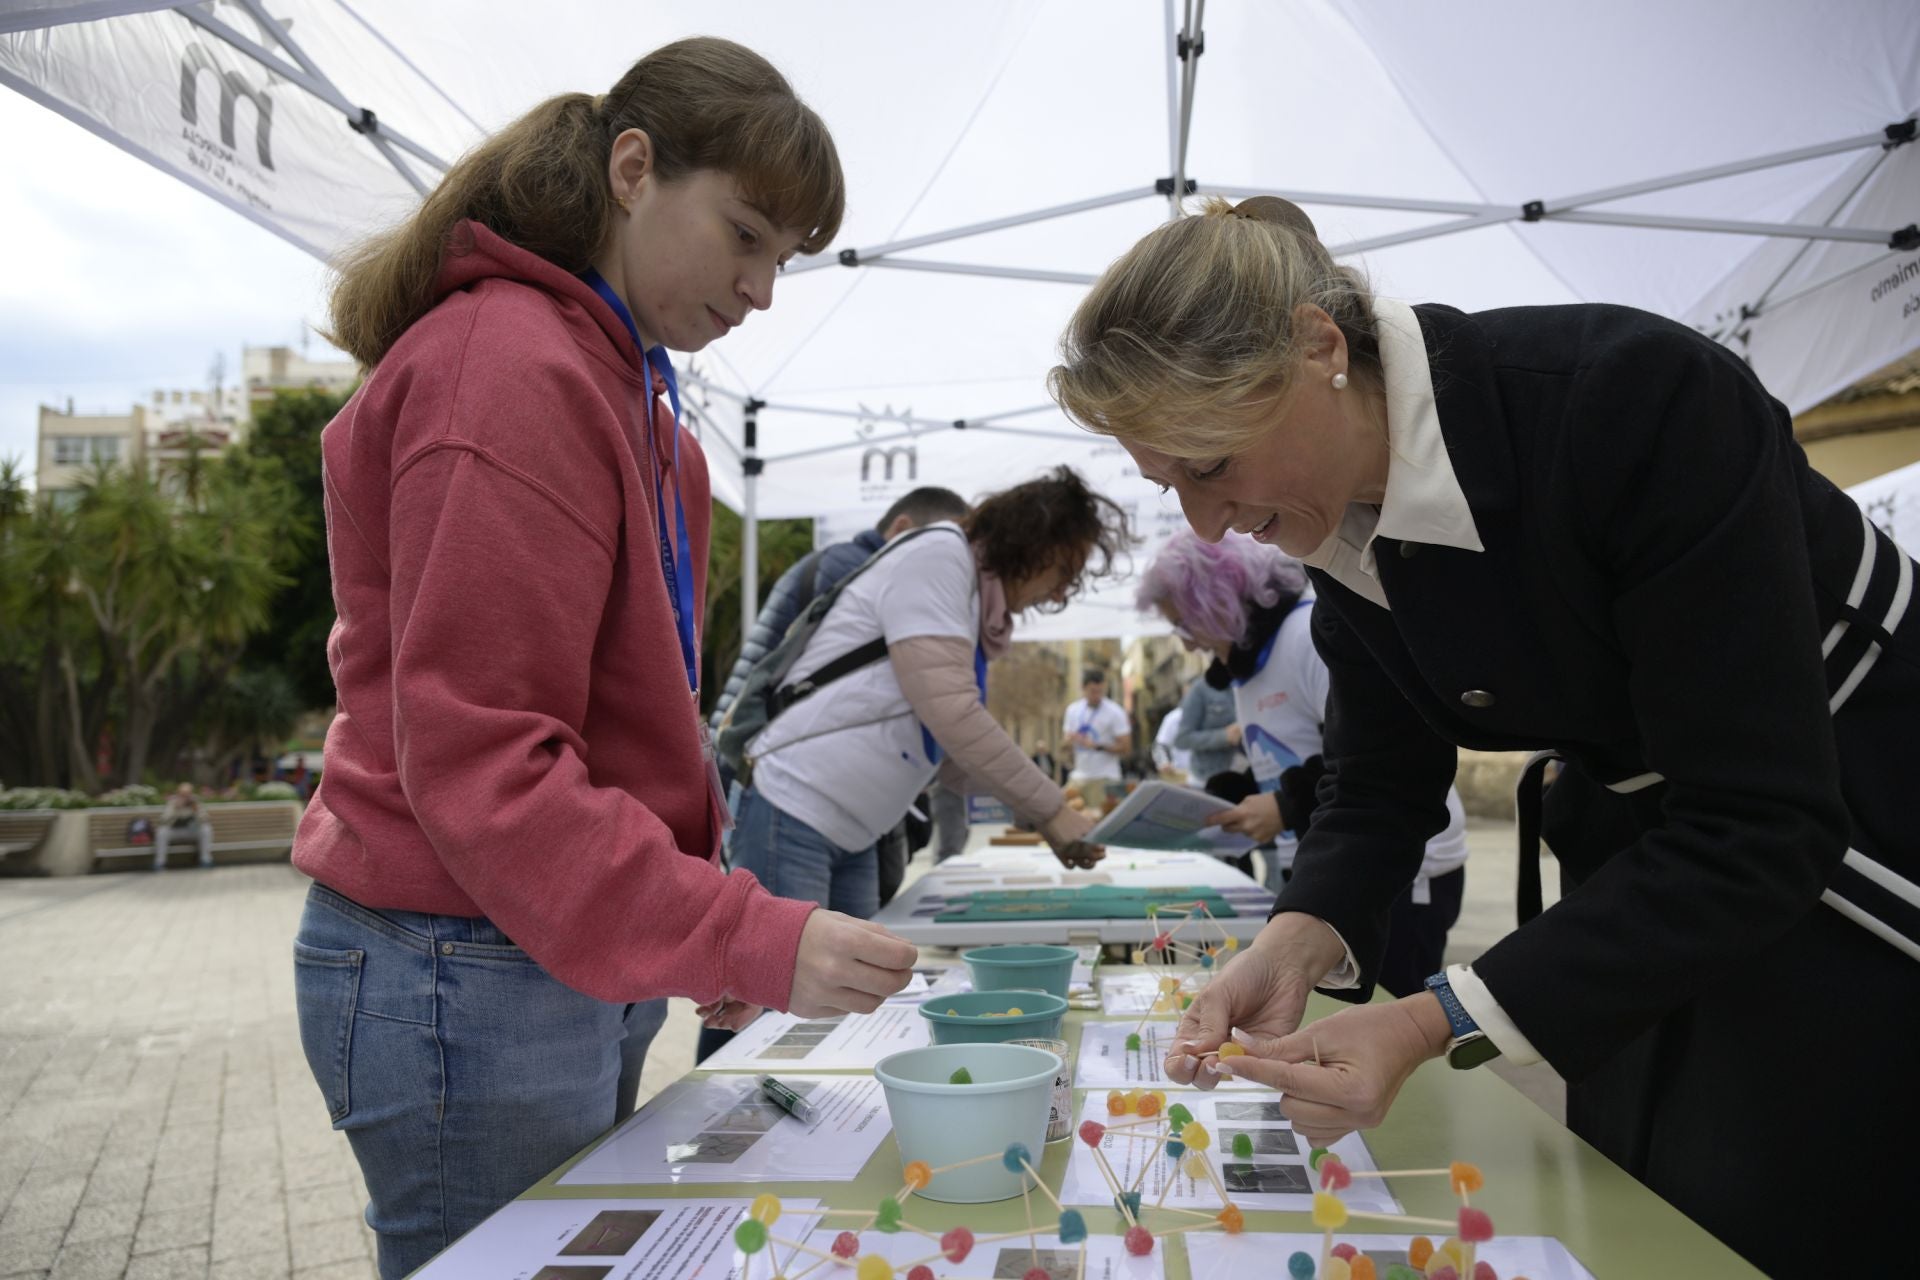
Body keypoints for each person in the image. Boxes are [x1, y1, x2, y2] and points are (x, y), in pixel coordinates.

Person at [1049, 193, 1920, 1275]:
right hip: (1651, 875)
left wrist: (1430, 1018)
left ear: (1319, 346)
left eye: (1210, 463)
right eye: (1169, 482)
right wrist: (1296, 933)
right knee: (1626, 1200)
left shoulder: (1632, 399)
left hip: (1859, 855)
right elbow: (1376, 782)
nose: (1206, 523)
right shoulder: (1340, 520)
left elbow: (1760, 814)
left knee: (1778, 1214)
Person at [287, 40, 918, 1279]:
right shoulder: (510, 369)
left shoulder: (640, 399)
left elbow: (639, 716)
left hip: (546, 944)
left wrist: (697, 911)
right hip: (460, 958)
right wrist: (743, 930)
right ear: (633, 170)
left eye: (783, 259)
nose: (763, 291)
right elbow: (486, 758)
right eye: (744, 236)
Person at [734, 465, 1131, 914]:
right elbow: (952, 715)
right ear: (1031, 541)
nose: (1059, 594)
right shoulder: (942, 553)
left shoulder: (969, 597)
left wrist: (1036, 814)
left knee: (854, 982)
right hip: (795, 806)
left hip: (855, 830)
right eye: (1062, 571)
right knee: (784, 981)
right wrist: (1050, 808)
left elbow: (952, 757)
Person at [1137, 531, 1470, 995]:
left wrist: (1283, 806)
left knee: (1387, 1014)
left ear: (1214, 602)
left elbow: (1375, 758)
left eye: (1185, 624)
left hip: (1404, 869)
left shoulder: (1305, 637)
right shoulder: (1245, 670)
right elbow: (1288, 752)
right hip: (1334, 870)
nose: (1187, 644)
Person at [708, 487, 971, 742]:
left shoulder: (840, 561)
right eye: (941, 545)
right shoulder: (858, 574)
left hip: (747, 730)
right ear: (901, 528)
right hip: (763, 742)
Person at [1061, 669, 1132, 810]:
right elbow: (1065, 745)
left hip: (1104, 777)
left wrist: (1096, 746)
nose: (1097, 696)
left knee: (1099, 821)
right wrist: (1069, 742)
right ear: (1083, 688)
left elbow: (1126, 748)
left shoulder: (1115, 712)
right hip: (1079, 776)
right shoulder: (1073, 710)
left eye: (1100, 691)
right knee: (1064, 811)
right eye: (1093, 691)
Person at [1170, 673, 1240, 784]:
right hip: (1207, 780)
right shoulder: (1201, 689)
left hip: (1246, 776)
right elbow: (1182, 739)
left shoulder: (1249, 683)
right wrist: (1224, 736)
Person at [152, 782, 212, 870]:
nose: (185, 797)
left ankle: (205, 860)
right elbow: (163, 820)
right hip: (175, 833)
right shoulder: (173, 802)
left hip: (192, 832)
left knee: (206, 829)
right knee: (162, 831)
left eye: (187, 794)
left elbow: (206, 819)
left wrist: (196, 811)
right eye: (183, 794)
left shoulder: (195, 801)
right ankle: (160, 862)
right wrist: (174, 809)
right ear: (178, 793)